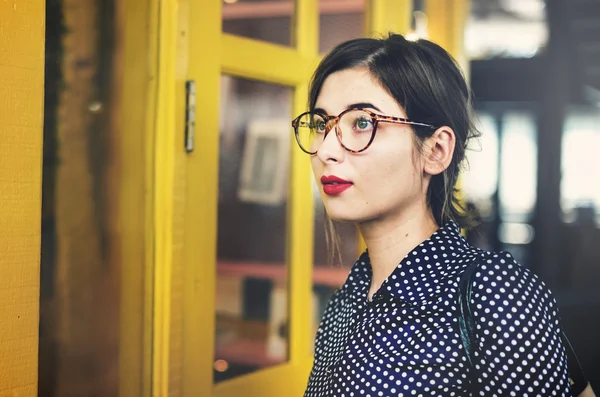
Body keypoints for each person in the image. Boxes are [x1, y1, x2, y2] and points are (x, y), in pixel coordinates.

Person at [292, 33, 585, 396]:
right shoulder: (347, 300)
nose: (326, 150)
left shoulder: (492, 292)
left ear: (436, 150)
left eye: (362, 122)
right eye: (322, 124)